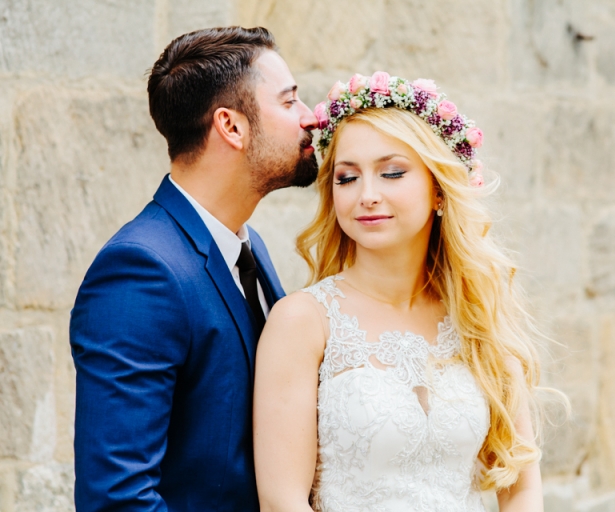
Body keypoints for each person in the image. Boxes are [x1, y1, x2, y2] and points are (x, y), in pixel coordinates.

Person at [254, 73, 545, 511]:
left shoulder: (478, 316)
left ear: (439, 192)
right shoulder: (303, 321)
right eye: (347, 178)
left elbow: (521, 487)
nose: (367, 195)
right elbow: (282, 502)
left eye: (391, 173)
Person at [70, 26, 318, 511]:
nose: (309, 118)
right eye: (289, 103)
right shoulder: (141, 270)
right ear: (231, 126)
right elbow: (117, 499)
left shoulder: (249, 247)